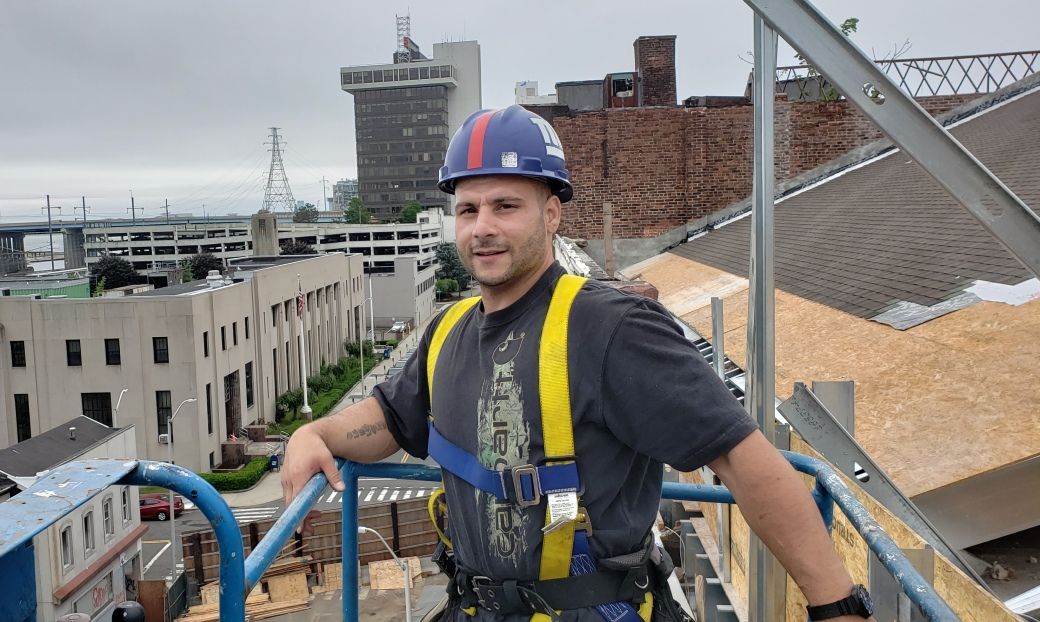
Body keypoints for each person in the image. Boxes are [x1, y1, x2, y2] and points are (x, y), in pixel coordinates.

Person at [282, 105, 872, 621]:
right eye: (468, 210)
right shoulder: (449, 331)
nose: (482, 228)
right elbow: (390, 418)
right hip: (473, 607)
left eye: (506, 206)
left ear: (552, 214)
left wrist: (835, 605)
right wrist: (316, 432)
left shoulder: (610, 329)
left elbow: (744, 458)